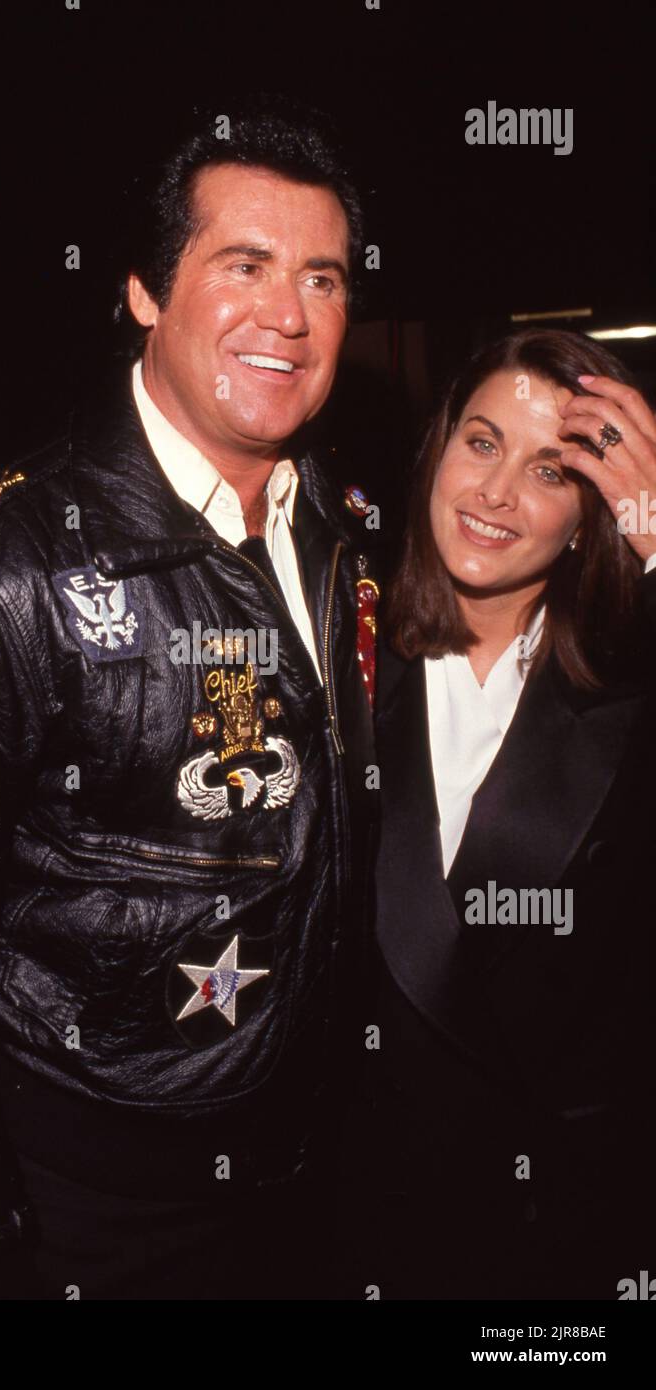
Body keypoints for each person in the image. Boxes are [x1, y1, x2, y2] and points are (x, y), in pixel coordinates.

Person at [0, 100, 379, 1300]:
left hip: (302, 1181)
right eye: (244, 266)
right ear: (143, 292)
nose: (287, 314)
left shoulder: (342, 532)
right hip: (83, 1204)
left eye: (321, 279)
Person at [347, 328, 656, 1300]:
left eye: (547, 471)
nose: (493, 495)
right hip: (362, 1220)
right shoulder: (331, 647)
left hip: (560, 1226)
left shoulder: (625, 692)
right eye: (479, 443)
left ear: (586, 517)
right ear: (436, 448)